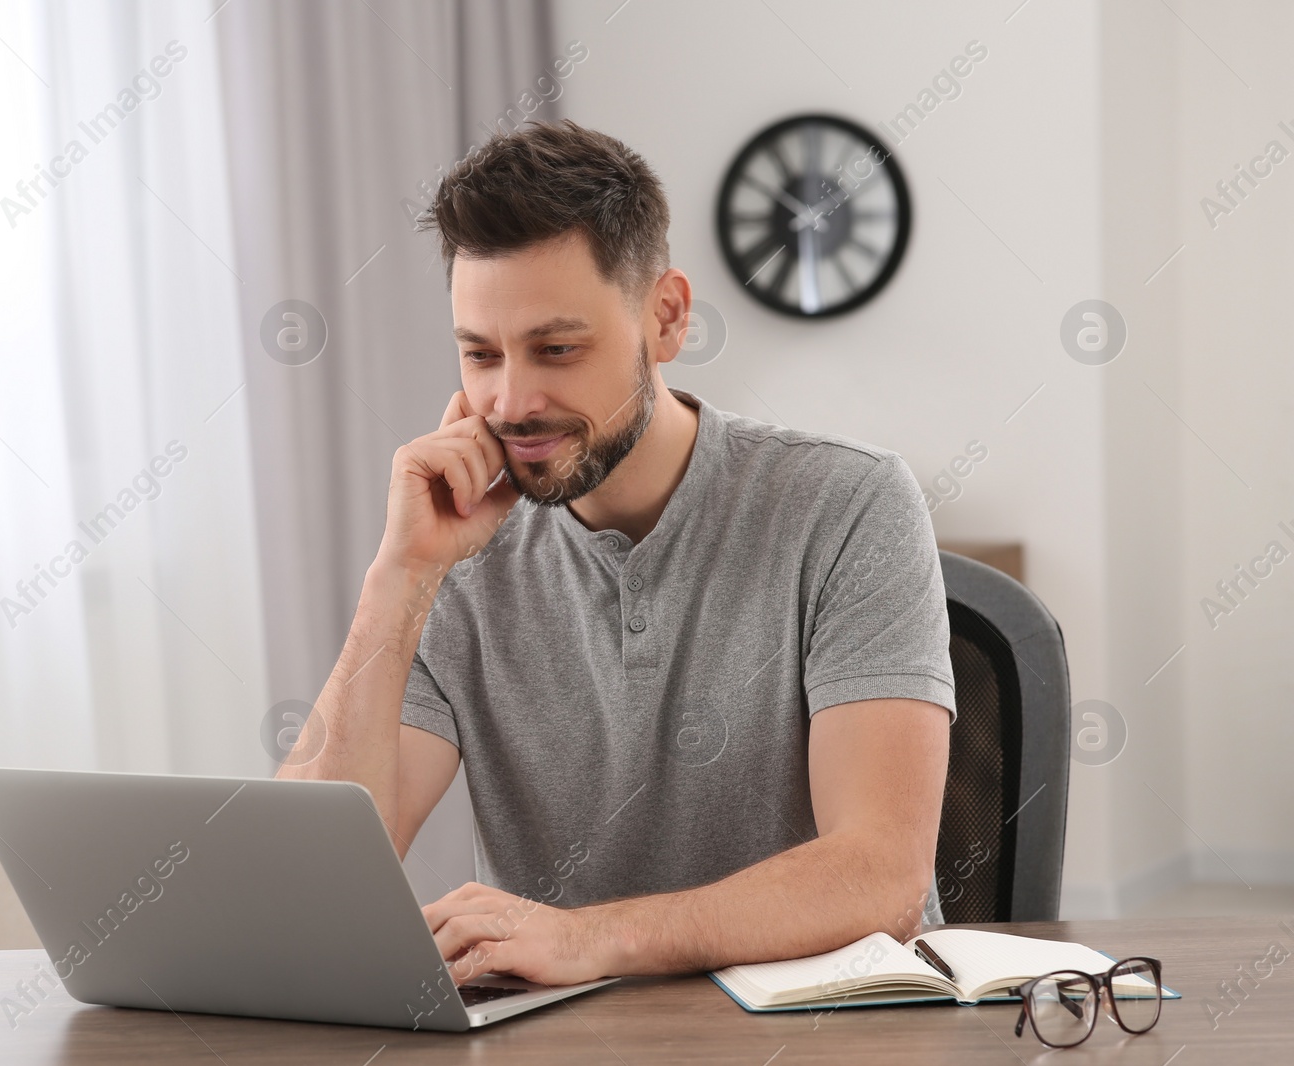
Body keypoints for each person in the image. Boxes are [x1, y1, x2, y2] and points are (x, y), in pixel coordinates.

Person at [277, 119, 954, 989]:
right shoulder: (456, 550)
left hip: (824, 1033)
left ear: (665, 318)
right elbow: (311, 891)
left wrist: (587, 939)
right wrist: (400, 577)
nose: (511, 401)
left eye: (558, 350)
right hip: (570, 1039)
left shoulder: (850, 504)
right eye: (480, 355)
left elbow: (879, 878)